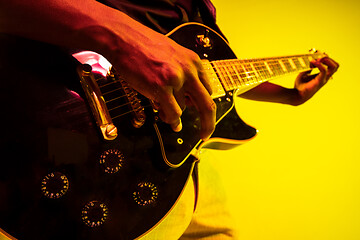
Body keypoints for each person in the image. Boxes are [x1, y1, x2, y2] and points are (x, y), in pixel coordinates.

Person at [0, 0, 339, 239]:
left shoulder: (199, 12)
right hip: (81, 138)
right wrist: (119, 38)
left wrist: (287, 95)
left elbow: (209, 76)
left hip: (178, 170)